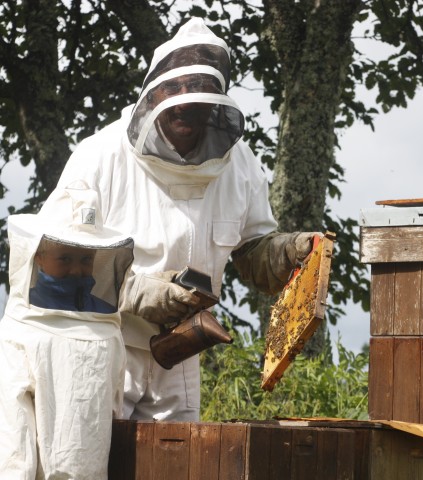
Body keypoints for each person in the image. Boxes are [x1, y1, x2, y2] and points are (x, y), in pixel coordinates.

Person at [47, 17, 320, 422]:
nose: (184, 102)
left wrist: (287, 251)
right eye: (173, 89)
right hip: (100, 343)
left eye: (198, 92)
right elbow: (53, 259)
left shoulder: (240, 165)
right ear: (152, 95)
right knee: (86, 463)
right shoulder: (100, 155)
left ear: (217, 105)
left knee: (175, 462)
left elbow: (251, 251)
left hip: (181, 351)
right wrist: (138, 292)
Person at [0, 181, 135, 479]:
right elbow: (12, 427)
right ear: (38, 255)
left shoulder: (107, 329)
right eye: (64, 258)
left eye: (86, 259)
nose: (76, 269)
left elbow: (112, 412)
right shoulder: (20, 331)